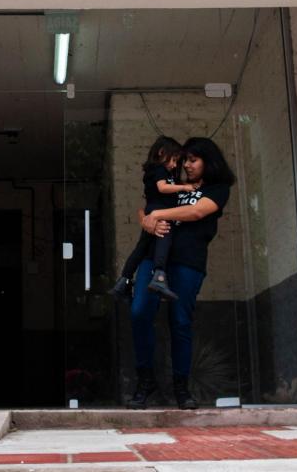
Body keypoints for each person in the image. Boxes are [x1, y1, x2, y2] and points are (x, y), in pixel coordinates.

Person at [127, 137, 235, 410]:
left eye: (192, 160)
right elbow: (146, 205)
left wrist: (157, 215)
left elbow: (198, 212)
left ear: (208, 162)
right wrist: (145, 220)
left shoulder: (218, 188)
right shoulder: (171, 180)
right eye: (184, 159)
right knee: (139, 312)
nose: (186, 165)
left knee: (181, 322)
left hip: (188, 261)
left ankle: (181, 388)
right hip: (153, 257)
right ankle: (146, 380)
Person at [109, 136, 195, 302]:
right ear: (162, 152)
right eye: (174, 160)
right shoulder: (158, 169)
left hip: (153, 209)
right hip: (159, 209)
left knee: (142, 247)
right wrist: (185, 187)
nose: (174, 165)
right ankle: (159, 277)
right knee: (165, 236)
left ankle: (123, 281)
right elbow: (162, 188)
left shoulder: (163, 172)